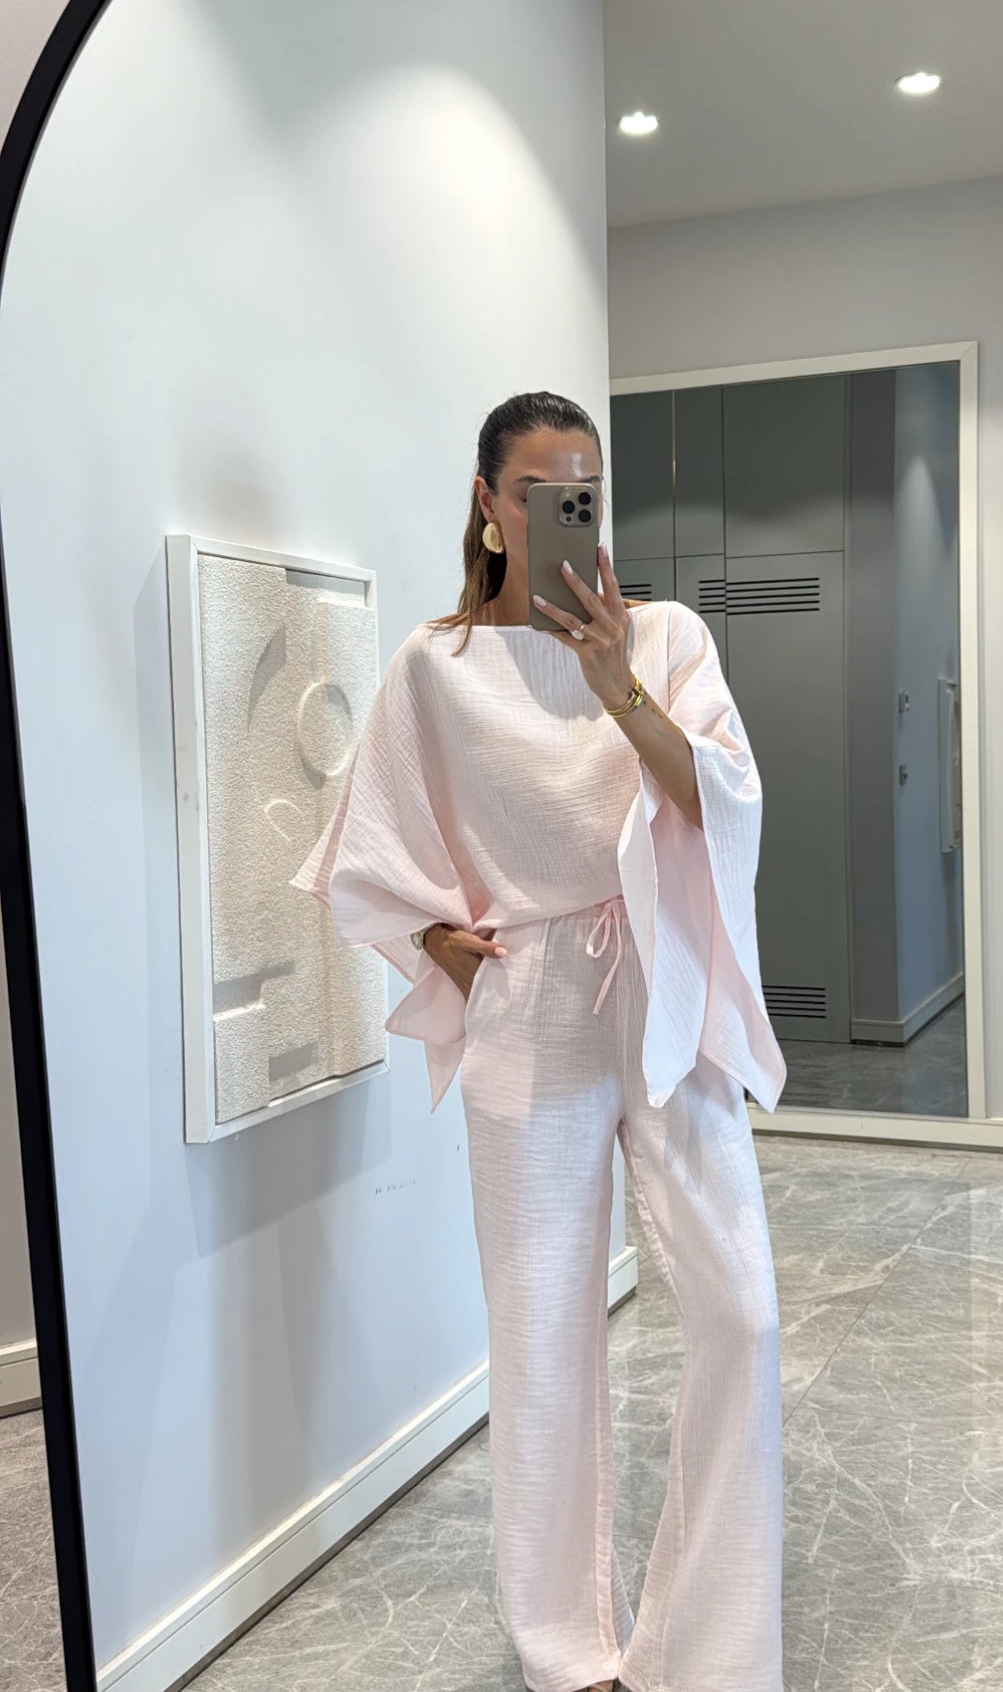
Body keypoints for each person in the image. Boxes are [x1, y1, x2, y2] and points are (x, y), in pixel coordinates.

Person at [290, 391, 788, 1692]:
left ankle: (709, 1645)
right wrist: (448, 948)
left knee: (741, 1310)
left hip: (658, 978)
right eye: (541, 492)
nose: (569, 511)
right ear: (489, 505)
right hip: (532, 1002)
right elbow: (365, 851)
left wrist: (618, 685)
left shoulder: (664, 636)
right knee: (541, 1330)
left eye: (587, 493)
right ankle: (568, 1646)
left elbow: (722, 801)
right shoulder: (436, 666)